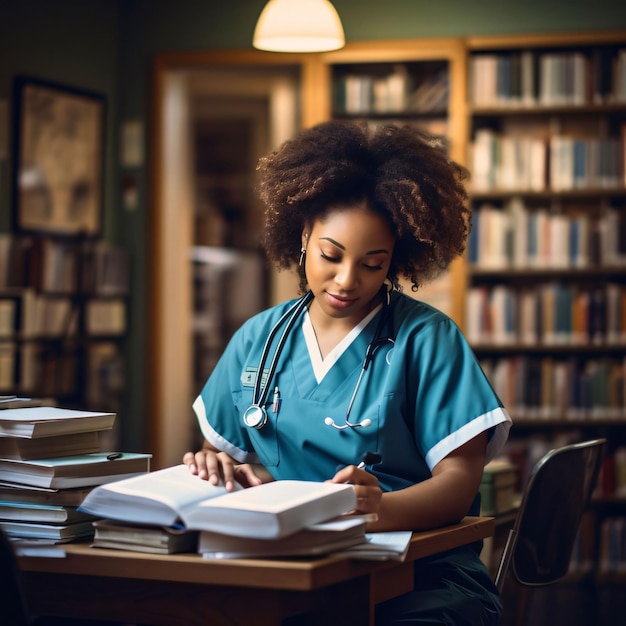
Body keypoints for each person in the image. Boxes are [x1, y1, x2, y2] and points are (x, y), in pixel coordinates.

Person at [183, 120, 511, 625]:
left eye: (372, 264)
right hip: (292, 568)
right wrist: (215, 468)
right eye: (330, 256)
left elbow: (461, 481)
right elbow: (220, 452)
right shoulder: (259, 338)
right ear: (302, 236)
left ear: (396, 260)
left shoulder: (427, 338)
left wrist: (378, 509)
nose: (346, 281)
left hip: (418, 569)